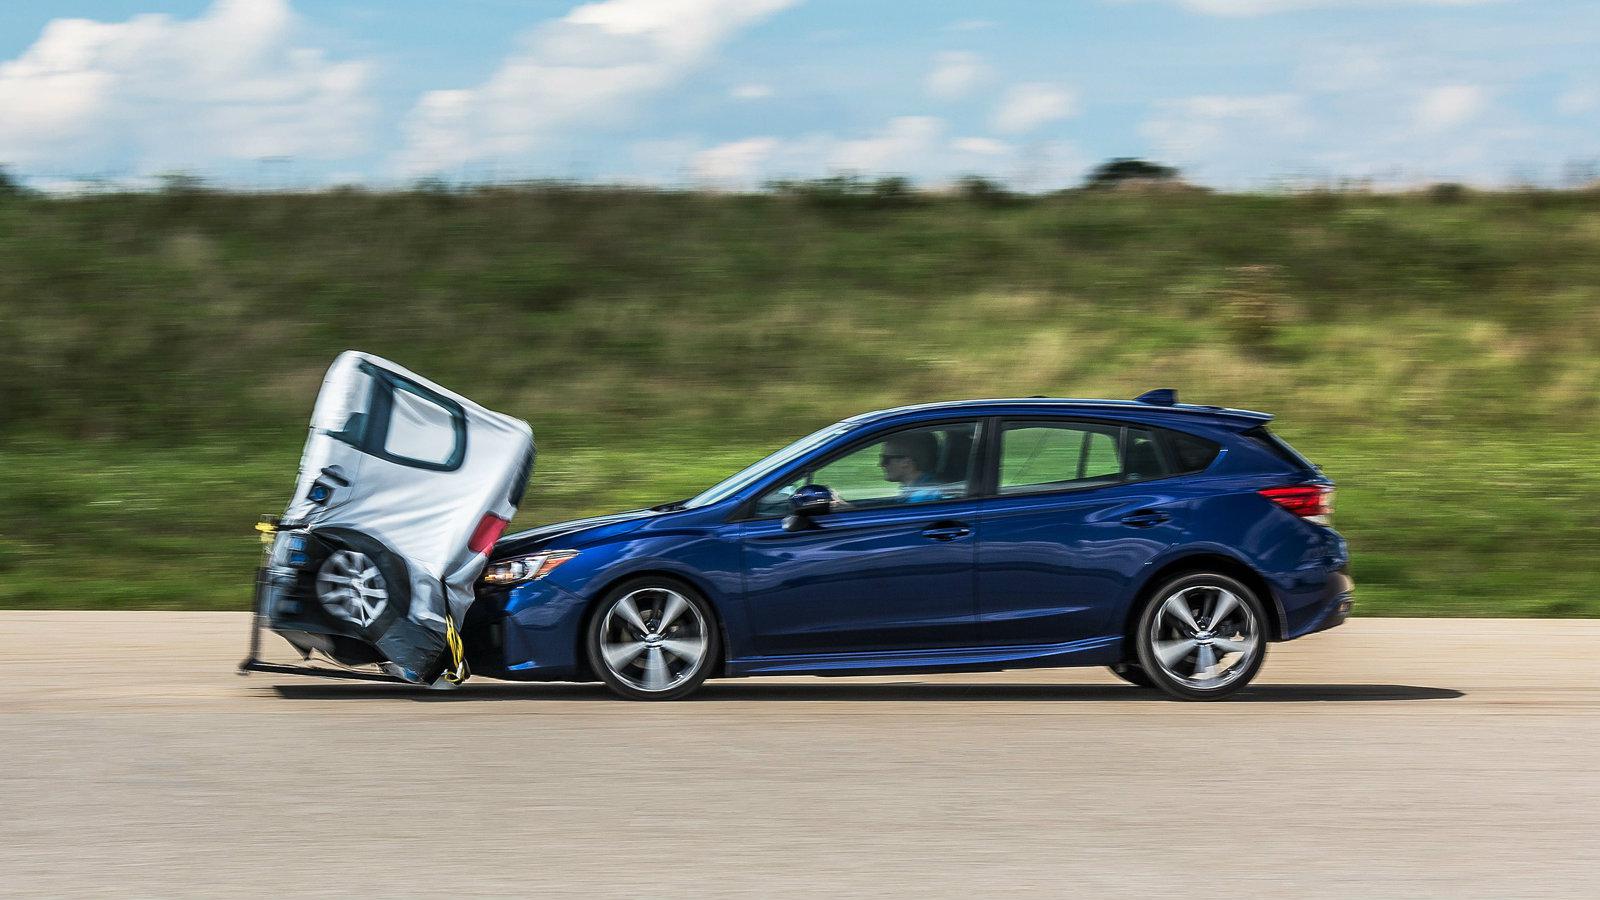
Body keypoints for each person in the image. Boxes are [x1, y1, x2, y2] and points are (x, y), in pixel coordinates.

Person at [879, 431, 944, 503]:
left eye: (886, 459)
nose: (881, 464)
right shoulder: (915, 490)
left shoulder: (922, 497)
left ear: (905, 462)